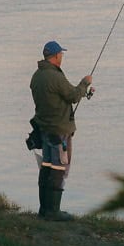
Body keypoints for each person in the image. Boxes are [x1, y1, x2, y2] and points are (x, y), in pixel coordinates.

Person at [29, 40, 92, 220]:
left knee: (47, 166)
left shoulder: (36, 76)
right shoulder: (55, 77)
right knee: (59, 168)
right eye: (61, 55)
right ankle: (53, 212)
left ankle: (44, 210)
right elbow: (73, 96)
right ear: (56, 56)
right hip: (59, 130)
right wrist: (84, 83)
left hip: (45, 128)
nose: (62, 57)